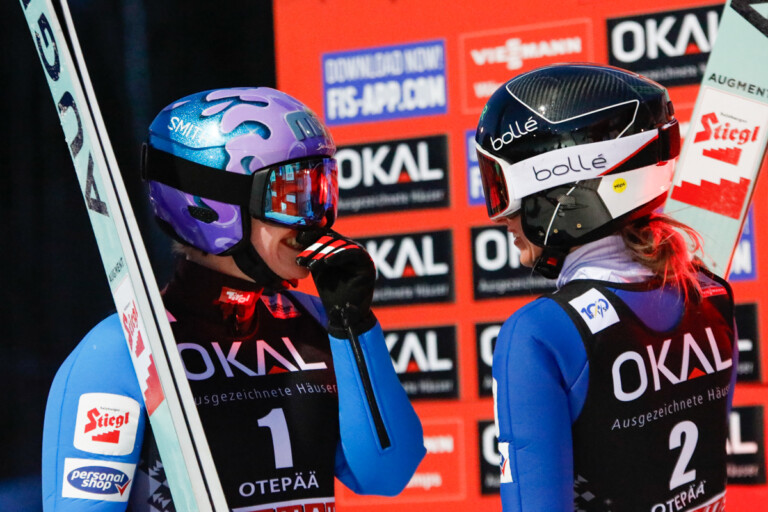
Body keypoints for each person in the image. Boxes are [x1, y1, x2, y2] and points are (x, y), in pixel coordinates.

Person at [42, 87, 425, 511]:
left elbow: (389, 475)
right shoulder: (121, 351)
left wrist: (354, 328)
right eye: (292, 195)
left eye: (322, 188)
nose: (315, 218)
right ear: (213, 206)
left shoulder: (316, 325)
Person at [475, 63, 737, 511]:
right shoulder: (712, 294)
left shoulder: (538, 334)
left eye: (501, 188)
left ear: (559, 186)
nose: (500, 218)